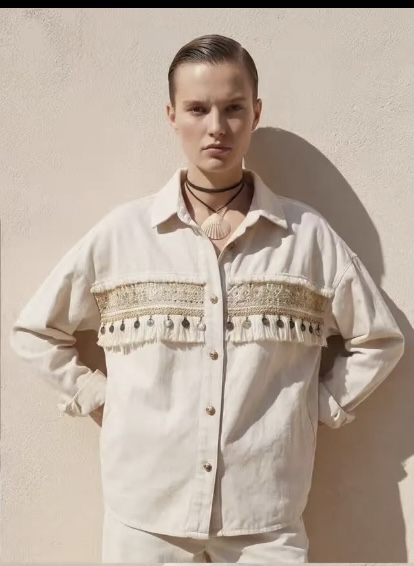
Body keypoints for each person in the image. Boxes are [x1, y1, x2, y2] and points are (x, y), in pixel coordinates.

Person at [10, 33, 405, 563]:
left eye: (233, 108)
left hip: (265, 517)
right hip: (145, 516)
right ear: (172, 115)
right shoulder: (124, 236)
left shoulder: (306, 237)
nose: (217, 127)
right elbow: (35, 331)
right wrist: (102, 398)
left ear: (255, 113)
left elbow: (378, 339)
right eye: (198, 108)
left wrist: (315, 406)